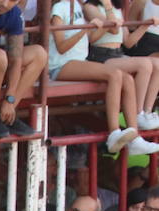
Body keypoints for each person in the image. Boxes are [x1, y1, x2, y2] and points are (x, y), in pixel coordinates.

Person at [48, 0, 159, 155]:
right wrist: (84, 29)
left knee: (126, 79)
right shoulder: (59, 8)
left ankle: (135, 139)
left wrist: (94, 29)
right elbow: (61, 47)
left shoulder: (79, 7)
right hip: (61, 64)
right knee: (114, 74)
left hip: (81, 61)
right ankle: (114, 132)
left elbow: (92, 37)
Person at [82, 0, 159, 130]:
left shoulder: (117, 9)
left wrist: (145, 25)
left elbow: (128, 42)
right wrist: (107, 5)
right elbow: (112, 28)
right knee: (144, 65)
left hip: (117, 54)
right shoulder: (90, 7)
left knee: (157, 64)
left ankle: (147, 111)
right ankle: (138, 113)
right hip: (100, 55)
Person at [0, 0, 45, 136]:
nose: (6, 4)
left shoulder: (14, 13)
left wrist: (10, 99)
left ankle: (7, 113)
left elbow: (15, 59)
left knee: (39, 54)